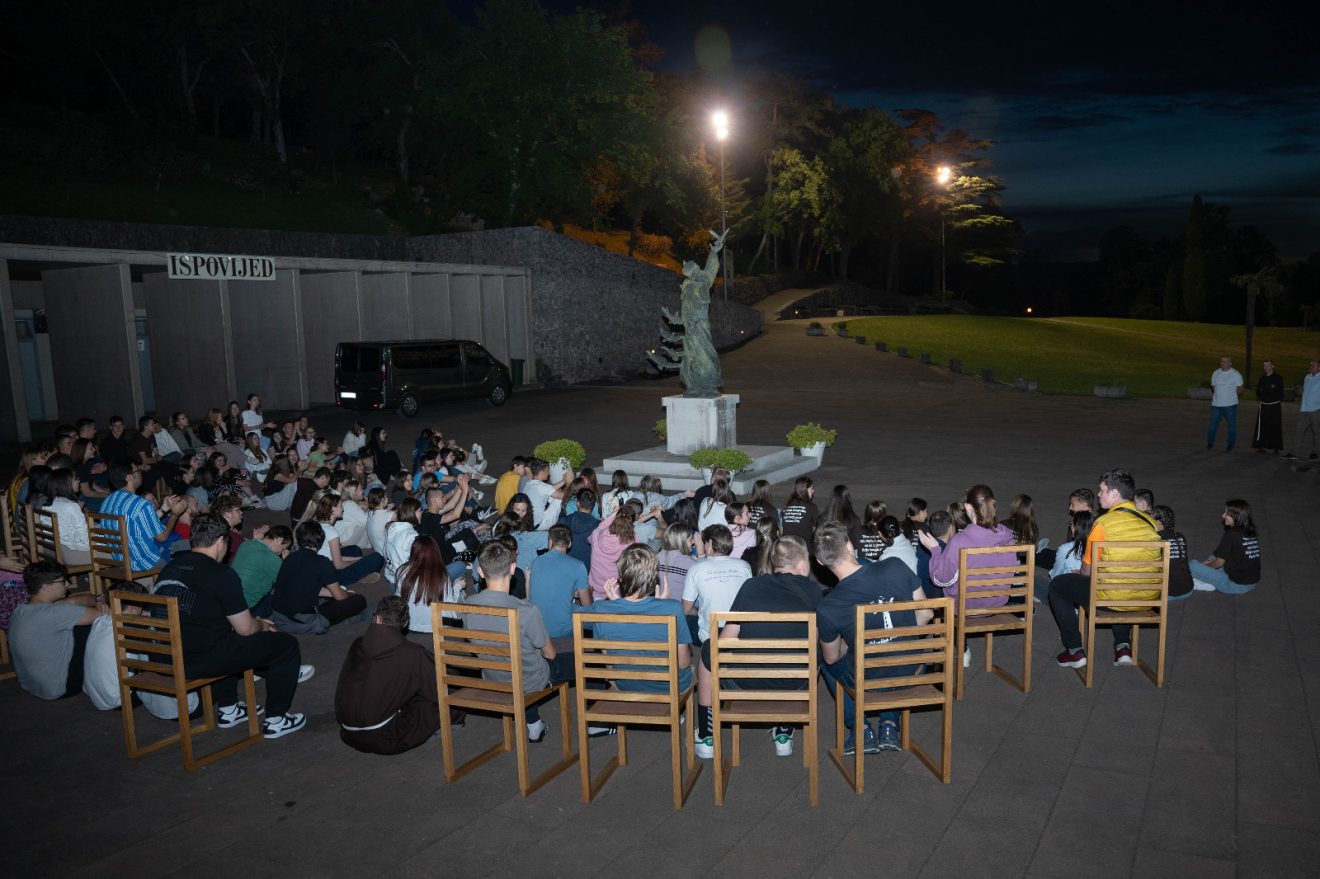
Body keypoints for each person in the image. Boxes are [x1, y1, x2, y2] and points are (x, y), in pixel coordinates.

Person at [152, 513, 308, 738]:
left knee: (221, 633)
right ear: (220, 541)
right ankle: (277, 719)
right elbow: (246, 629)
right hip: (192, 660)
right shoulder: (221, 574)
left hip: (161, 654)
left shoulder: (170, 568)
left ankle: (229, 709)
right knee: (286, 645)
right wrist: (261, 625)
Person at [692, 535, 823, 759]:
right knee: (814, 651)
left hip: (744, 682)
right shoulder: (814, 592)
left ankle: (706, 735)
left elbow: (726, 639)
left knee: (708, 649)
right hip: (795, 684)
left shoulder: (751, 585)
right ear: (802, 564)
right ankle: (784, 730)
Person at [814, 522, 930, 755]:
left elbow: (832, 657)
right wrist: (899, 631)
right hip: (912, 669)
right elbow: (926, 613)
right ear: (849, 545)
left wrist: (851, 643)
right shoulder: (895, 566)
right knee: (893, 652)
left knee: (825, 660)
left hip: (867, 678)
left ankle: (861, 728)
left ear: (820, 562)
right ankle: (889, 724)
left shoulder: (829, 606)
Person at [1048, 468, 1162, 670]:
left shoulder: (1102, 524)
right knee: (1123, 582)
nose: (1099, 494)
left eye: (1102, 490)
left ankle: (1074, 650)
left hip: (1112, 598)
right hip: (1147, 597)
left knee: (1058, 586)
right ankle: (1123, 646)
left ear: (1115, 493)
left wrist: (1078, 572)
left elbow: (1087, 572)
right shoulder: (1150, 522)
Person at [462, 540, 564, 743]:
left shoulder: (467, 605)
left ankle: (534, 724)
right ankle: (597, 724)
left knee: (519, 662)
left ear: (480, 572)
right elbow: (550, 654)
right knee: (578, 662)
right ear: (512, 568)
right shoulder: (526, 610)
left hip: (492, 677)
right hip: (529, 681)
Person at [575, 543, 692, 696]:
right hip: (669, 689)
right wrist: (662, 606)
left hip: (626, 685)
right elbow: (683, 663)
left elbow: (609, 665)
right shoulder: (673, 608)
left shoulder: (602, 609)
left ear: (621, 577)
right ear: (654, 576)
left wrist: (615, 603)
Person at [334, 594, 445, 754]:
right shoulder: (413, 653)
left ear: (377, 618)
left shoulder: (357, 644)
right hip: (385, 736)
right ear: (405, 623)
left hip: (348, 732)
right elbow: (439, 687)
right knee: (440, 699)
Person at [8, 560, 106, 700]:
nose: (68, 584)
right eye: (63, 581)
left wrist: (100, 598)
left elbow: (74, 601)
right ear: (46, 587)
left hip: (32, 686)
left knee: (77, 619)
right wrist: (105, 601)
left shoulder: (21, 610)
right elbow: (104, 615)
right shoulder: (56, 613)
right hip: (62, 688)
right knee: (97, 625)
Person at [270, 521, 370, 634]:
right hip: (303, 621)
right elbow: (339, 596)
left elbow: (307, 587)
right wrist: (348, 594)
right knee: (359, 600)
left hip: (279, 617)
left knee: (327, 597)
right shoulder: (322, 562)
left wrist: (335, 593)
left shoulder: (289, 557)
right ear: (321, 539)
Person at [99, 462, 184, 572]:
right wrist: (175, 514)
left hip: (121, 562)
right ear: (129, 477)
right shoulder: (140, 503)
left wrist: (164, 509)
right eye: (137, 471)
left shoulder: (107, 502)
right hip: (145, 562)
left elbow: (137, 522)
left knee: (181, 546)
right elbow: (162, 537)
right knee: (185, 550)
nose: (141, 473)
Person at [681, 524, 752, 647]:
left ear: (710, 543)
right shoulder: (744, 566)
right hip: (738, 633)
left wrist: (702, 612)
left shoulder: (696, 568)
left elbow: (686, 609)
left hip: (709, 637)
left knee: (683, 619)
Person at [527, 524, 591, 655]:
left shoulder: (536, 562)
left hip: (537, 628)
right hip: (562, 632)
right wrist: (589, 591)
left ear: (550, 541)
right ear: (570, 543)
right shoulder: (578, 566)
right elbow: (587, 605)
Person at [1189, 499, 1261, 594]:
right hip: (1251, 582)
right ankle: (1208, 581)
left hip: (1234, 585)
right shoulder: (1250, 532)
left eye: (1227, 513)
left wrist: (1203, 567)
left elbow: (1219, 563)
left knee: (1192, 566)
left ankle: (1201, 581)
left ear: (1236, 516)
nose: (1223, 516)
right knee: (1215, 556)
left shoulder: (1231, 534)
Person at [231, 524, 293, 617]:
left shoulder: (246, 544)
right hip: (248, 607)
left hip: (230, 599)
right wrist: (287, 562)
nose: (280, 553)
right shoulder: (271, 558)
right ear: (279, 540)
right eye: (283, 548)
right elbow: (289, 583)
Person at [395, 536, 451, 633]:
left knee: (394, 586)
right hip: (436, 626)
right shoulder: (442, 575)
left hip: (409, 626)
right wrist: (458, 587)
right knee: (459, 569)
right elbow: (449, 603)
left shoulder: (401, 571)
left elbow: (398, 599)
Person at [1151, 505, 1194, 601]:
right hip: (1188, 590)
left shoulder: (1156, 540)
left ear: (1158, 522)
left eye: (1151, 518)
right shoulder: (1180, 536)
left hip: (1168, 594)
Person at [1282, 359, 1320, 461]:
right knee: (1298, 431)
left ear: (1319, 368)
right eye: (1310, 365)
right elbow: (1304, 390)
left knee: (1316, 433)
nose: (1310, 367)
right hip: (1304, 410)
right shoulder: (1307, 377)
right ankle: (1293, 453)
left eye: (1313, 365)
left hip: (1316, 410)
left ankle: (1315, 453)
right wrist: (1299, 391)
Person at [1206, 355, 1244, 452]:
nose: (1223, 363)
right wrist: (1220, 396)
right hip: (1216, 405)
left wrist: (1231, 396)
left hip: (1230, 405)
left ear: (1230, 363)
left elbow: (1240, 389)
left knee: (1231, 426)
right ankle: (1210, 443)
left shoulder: (1235, 374)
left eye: (1225, 361)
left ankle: (1230, 445)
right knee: (1213, 425)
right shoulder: (1216, 373)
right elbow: (1213, 386)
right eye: (1222, 361)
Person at [523, 458, 573, 530]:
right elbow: (563, 496)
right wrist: (570, 483)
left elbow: (549, 489)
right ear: (541, 473)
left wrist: (564, 481)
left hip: (530, 523)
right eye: (548, 471)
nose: (549, 473)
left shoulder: (528, 484)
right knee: (558, 498)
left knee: (553, 494)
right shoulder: (542, 487)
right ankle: (566, 518)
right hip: (540, 525)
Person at [560, 490, 600, 570]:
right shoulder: (599, 526)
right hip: (588, 569)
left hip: (565, 567)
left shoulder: (563, 521)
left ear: (578, 504)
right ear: (594, 506)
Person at [1252, 360, 1285, 453]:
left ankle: (1276, 448)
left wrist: (1268, 395)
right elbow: (1258, 392)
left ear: (1272, 366)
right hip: (1264, 406)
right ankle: (1261, 446)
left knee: (1275, 426)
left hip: (1274, 406)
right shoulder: (1262, 378)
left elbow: (1279, 393)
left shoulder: (1278, 378)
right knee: (1262, 426)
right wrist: (1264, 396)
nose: (1265, 367)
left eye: (1268, 365)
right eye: (1264, 366)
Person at [780, 477, 819, 545]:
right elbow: (814, 529)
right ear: (805, 490)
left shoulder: (787, 506)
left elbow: (783, 528)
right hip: (803, 545)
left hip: (786, 544)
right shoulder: (812, 507)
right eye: (811, 488)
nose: (813, 491)